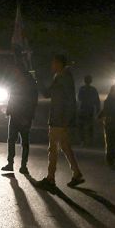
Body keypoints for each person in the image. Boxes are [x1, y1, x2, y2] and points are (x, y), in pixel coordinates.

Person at [43, 53, 84, 188]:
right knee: (65, 147)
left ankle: (50, 178)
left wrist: (67, 119)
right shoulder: (59, 77)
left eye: (54, 62)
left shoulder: (64, 77)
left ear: (60, 64)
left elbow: (70, 100)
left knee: (53, 148)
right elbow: (48, 93)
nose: (52, 65)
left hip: (59, 119)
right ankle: (76, 173)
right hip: (58, 117)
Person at [2, 66, 37, 175]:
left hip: (23, 116)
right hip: (16, 115)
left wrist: (29, 116)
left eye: (16, 71)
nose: (15, 73)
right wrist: (9, 111)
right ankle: (12, 164)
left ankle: (22, 165)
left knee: (23, 141)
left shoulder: (29, 85)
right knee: (12, 140)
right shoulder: (19, 83)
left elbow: (32, 102)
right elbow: (12, 98)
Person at [77, 75, 100, 145]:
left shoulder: (82, 89)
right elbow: (97, 100)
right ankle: (90, 140)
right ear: (91, 81)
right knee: (90, 124)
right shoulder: (93, 89)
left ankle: (82, 140)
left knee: (82, 125)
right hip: (90, 109)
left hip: (83, 108)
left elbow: (79, 98)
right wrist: (98, 109)